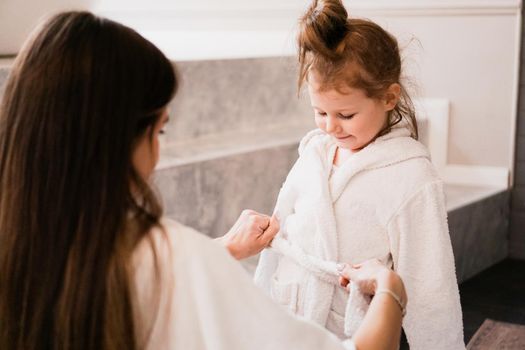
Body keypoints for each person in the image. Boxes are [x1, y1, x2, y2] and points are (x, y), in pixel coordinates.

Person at [0, 11, 408, 350]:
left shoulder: (26, 240)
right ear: (116, 139)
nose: (158, 153)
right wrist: (390, 291)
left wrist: (223, 250)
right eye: (158, 132)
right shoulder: (175, 258)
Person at [254, 1, 465, 349]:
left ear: (388, 97)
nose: (330, 126)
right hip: (291, 308)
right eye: (319, 111)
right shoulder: (316, 153)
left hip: (350, 326)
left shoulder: (411, 178)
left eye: (346, 114)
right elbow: (289, 221)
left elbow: (430, 283)